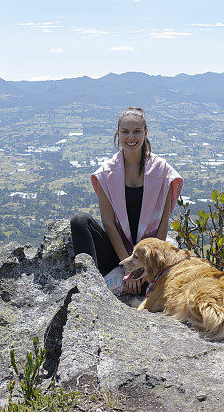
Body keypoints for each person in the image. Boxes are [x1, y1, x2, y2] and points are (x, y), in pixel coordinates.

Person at [71, 107, 183, 294]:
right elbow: (109, 225)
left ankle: (122, 284)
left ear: (145, 133)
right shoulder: (105, 174)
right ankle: (91, 285)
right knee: (79, 221)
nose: (131, 137)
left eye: (137, 131)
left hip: (148, 256)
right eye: (125, 132)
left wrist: (142, 267)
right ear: (118, 133)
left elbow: (163, 223)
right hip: (118, 253)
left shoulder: (163, 172)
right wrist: (128, 267)